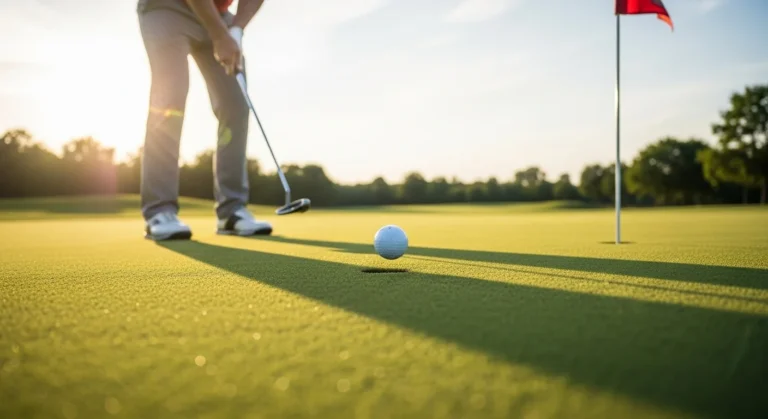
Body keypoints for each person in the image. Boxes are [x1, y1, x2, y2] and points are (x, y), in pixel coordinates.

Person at [136, 0, 271, 240]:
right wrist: (220, 34)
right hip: (166, 7)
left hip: (220, 15)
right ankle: (160, 210)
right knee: (169, 101)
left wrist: (236, 28)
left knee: (236, 105)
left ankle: (232, 210)